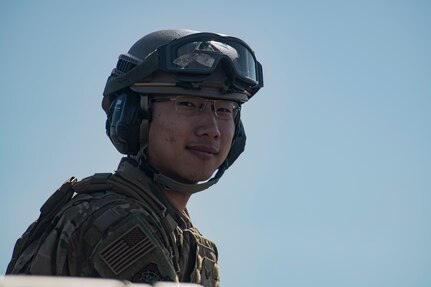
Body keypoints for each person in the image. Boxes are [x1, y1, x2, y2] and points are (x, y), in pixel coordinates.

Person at [6, 29, 263, 286]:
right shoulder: (118, 222)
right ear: (134, 116)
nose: (212, 129)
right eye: (188, 104)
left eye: (224, 110)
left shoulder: (179, 232)